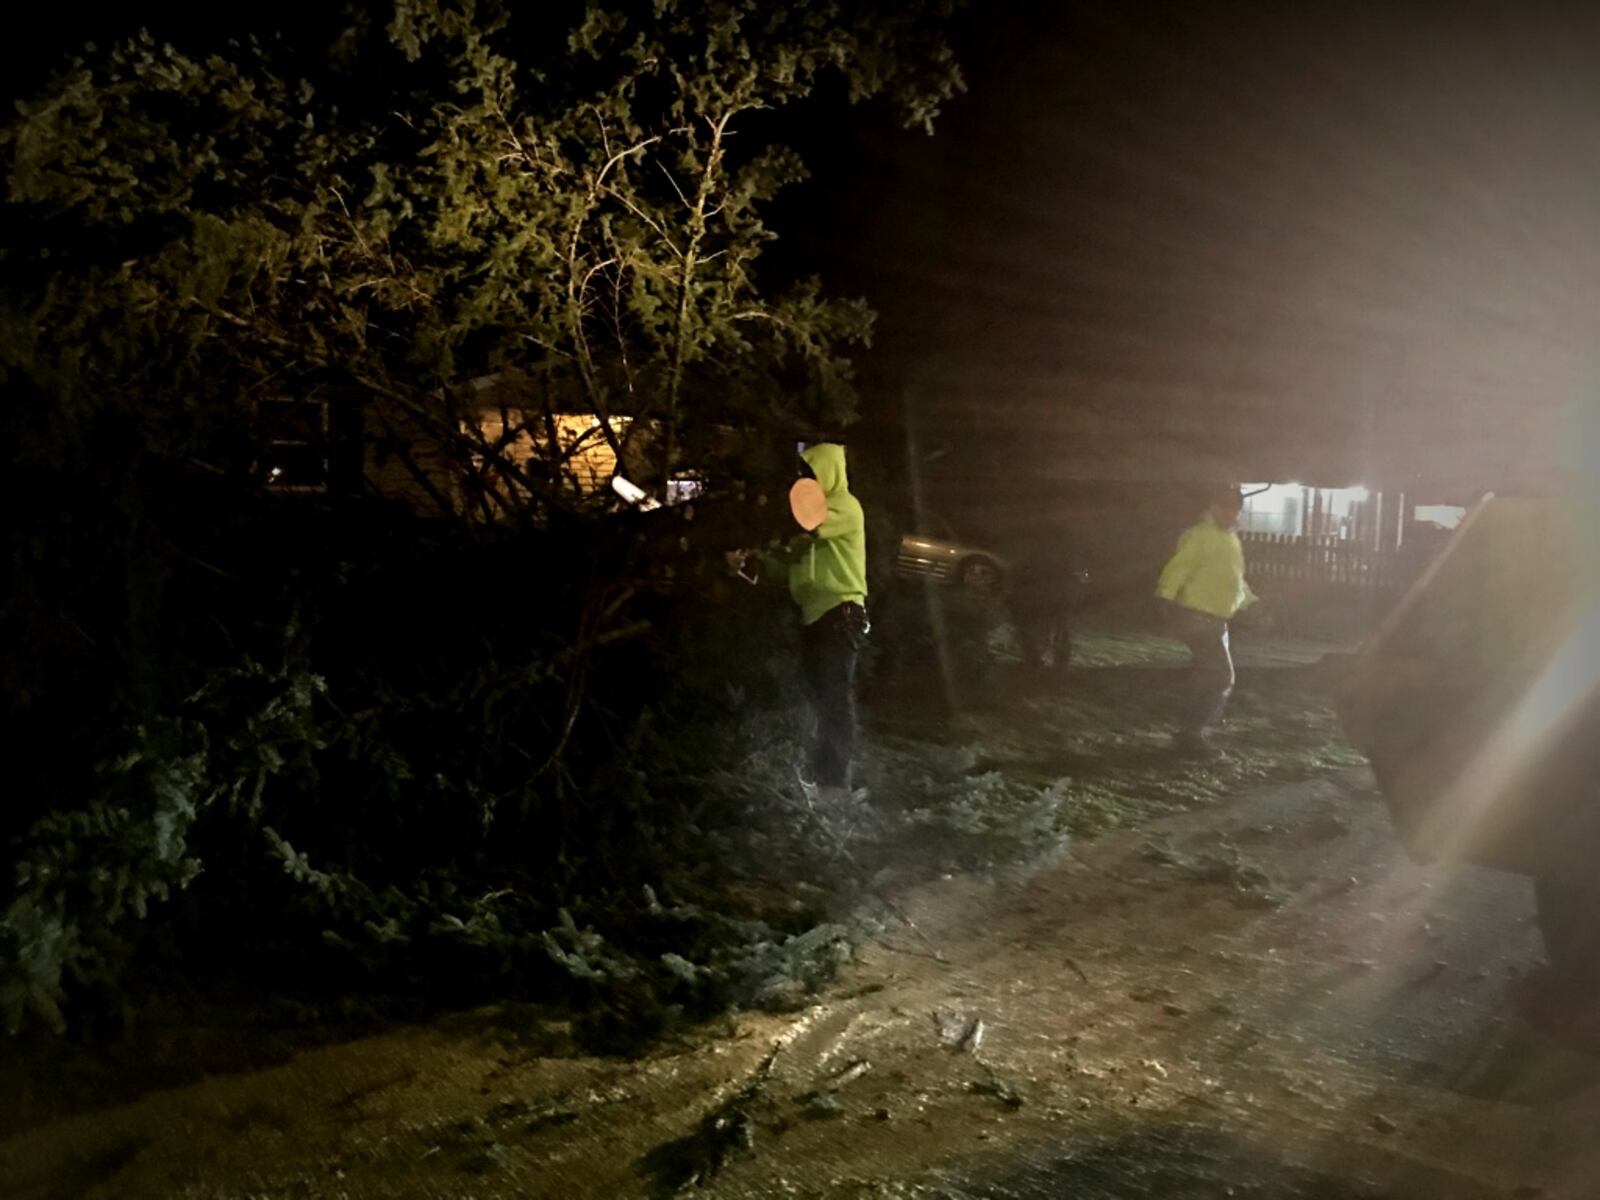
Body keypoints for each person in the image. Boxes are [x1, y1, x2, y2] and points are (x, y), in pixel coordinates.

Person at [738, 442, 869, 800]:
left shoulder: (844, 508)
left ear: (828, 472)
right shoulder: (813, 521)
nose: (805, 481)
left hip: (840, 614)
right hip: (816, 616)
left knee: (834, 701)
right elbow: (788, 565)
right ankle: (823, 779)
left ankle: (834, 787)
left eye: (811, 473)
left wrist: (767, 530)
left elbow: (809, 525)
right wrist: (752, 562)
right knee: (821, 699)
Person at [1154, 484, 1256, 756]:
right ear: (1213, 507)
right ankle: (1192, 735)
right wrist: (1165, 596)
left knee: (1210, 674)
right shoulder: (1200, 536)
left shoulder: (1231, 540)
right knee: (1221, 675)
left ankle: (1191, 731)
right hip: (1196, 615)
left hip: (1217, 618)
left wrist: (1250, 603)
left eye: (1235, 510)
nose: (1232, 515)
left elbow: (1235, 578)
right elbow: (1179, 566)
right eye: (1226, 508)